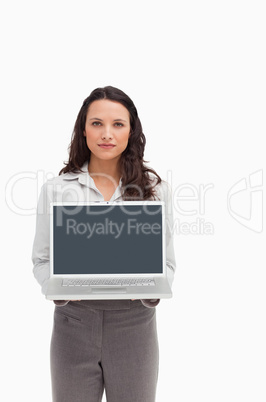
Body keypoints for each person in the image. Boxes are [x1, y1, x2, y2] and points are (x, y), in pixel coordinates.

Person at [32, 86, 176, 402]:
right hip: (73, 323)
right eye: (96, 123)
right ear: (83, 130)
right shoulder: (57, 190)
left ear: (132, 131)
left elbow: (167, 263)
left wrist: (153, 287)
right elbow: (41, 260)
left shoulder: (154, 190)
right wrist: (57, 288)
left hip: (135, 324)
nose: (106, 134)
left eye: (118, 124)